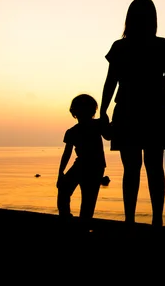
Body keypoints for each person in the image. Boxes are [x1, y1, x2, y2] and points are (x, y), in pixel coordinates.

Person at [100, 0, 165, 226]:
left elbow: (110, 81)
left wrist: (103, 111)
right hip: (154, 111)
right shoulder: (161, 45)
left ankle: (130, 220)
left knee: (131, 169)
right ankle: (156, 220)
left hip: (127, 110)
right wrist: (153, 84)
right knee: (154, 168)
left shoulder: (120, 47)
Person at [57, 94, 111, 228]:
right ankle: (68, 218)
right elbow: (67, 153)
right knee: (66, 190)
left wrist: (107, 121)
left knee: (87, 199)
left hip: (94, 166)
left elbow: (108, 135)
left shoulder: (97, 124)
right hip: (82, 165)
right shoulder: (72, 132)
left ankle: (81, 224)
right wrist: (60, 172)